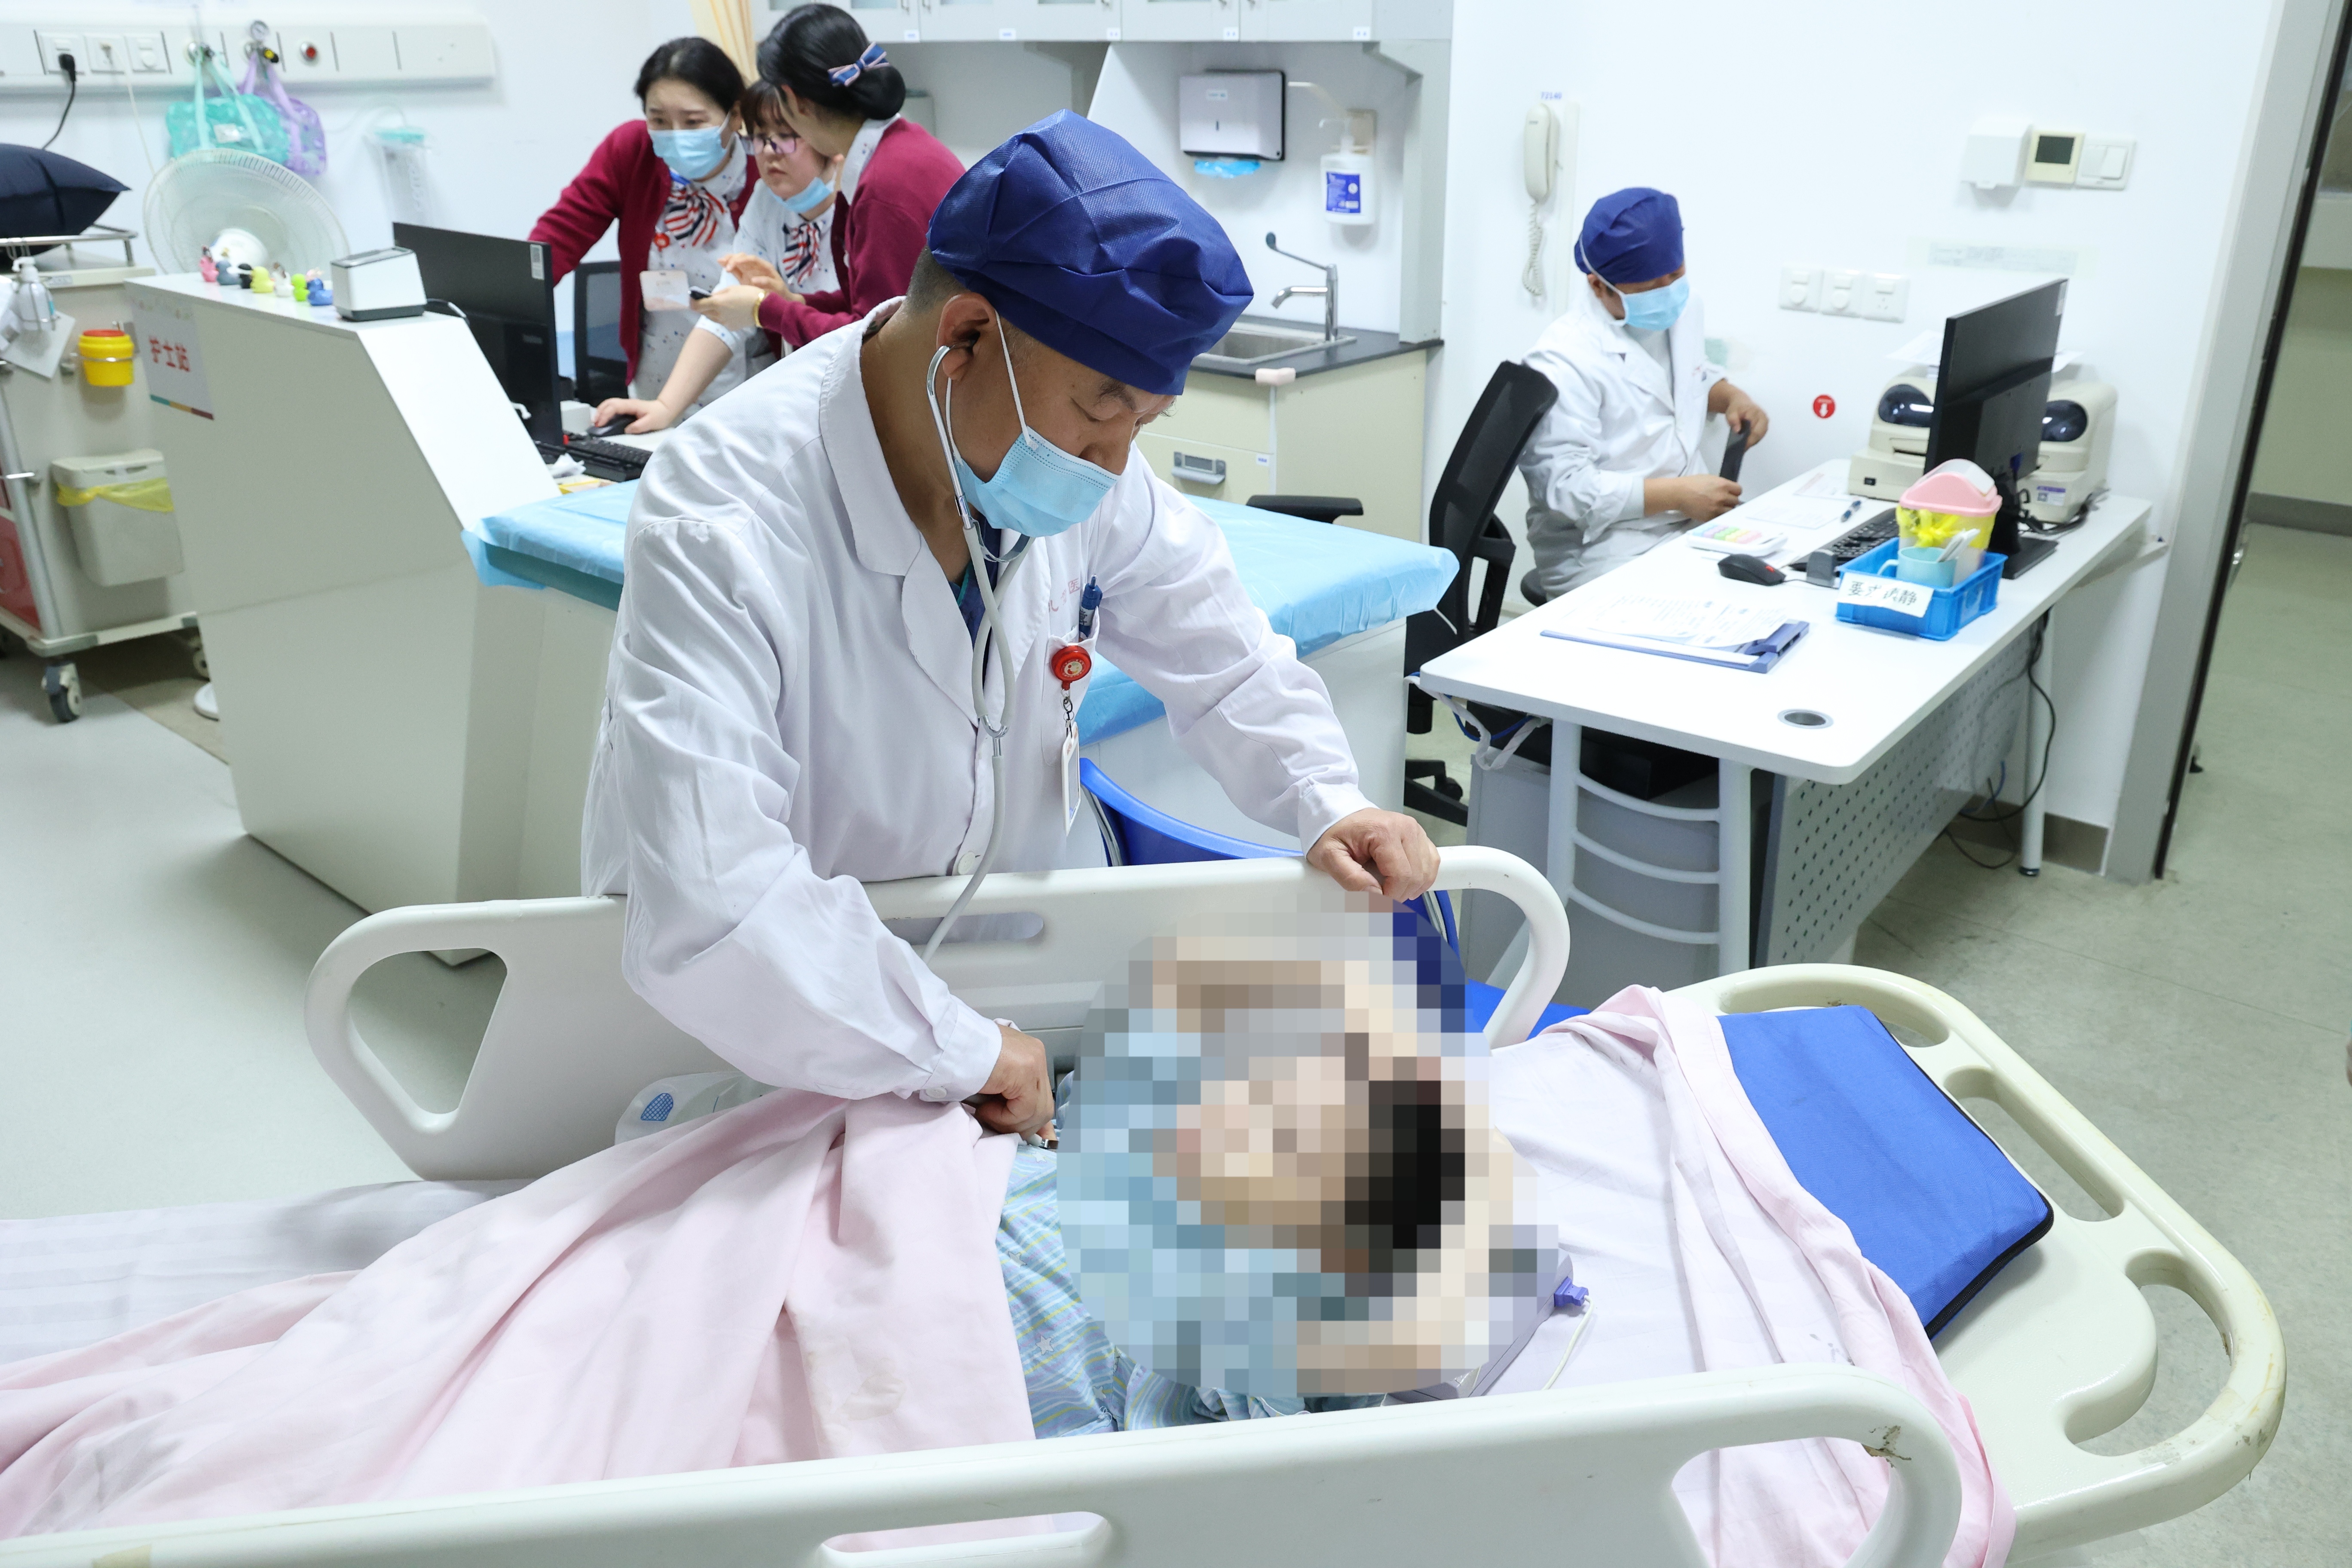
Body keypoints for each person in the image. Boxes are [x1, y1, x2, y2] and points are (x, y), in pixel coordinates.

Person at [582, 111, 1440, 1142]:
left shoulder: (1075, 466)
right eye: (1101, 412)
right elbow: (717, 894)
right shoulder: (725, 512)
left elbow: (1224, 658)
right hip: (782, 1031)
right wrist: (955, 1046)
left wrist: (1328, 801)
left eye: (1144, 424)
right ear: (964, 338)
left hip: (1005, 1015)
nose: (1115, 464)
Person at [1516, 187, 1771, 604]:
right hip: (1604, 548)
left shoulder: (1684, 308)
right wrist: (1679, 495)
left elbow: (1688, 379)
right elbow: (1565, 489)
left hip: (1692, 524)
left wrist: (1731, 397)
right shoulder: (1564, 360)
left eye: (1675, 275)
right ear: (1599, 286)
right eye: (1651, 287)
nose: (1669, 291)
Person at [692, 5, 963, 351]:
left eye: (783, 134)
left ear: (795, 101)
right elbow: (874, 306)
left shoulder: (884, 188)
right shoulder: (899, 150)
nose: (771, 151)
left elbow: (875, 342)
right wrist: (794, 302)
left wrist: (765, 310)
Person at [592, 80, 844, 435]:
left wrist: (772, 307)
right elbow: (726, 315)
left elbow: (868, 328)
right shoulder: (766, 201)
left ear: (828, 138)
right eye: (760, 136)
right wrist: (666, 407)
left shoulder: (863, 206)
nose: (769, 151)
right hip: (804, 407)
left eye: (787, 136)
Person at [530, 38, 765, 416]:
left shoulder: (767, 173)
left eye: (693, 122)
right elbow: (561, 234)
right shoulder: (633, 152)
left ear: (735, 116)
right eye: (659, 121)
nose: (676, 135)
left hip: (750, 387)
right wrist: (513, 298)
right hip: (655, 380)